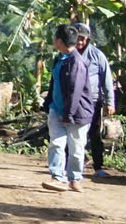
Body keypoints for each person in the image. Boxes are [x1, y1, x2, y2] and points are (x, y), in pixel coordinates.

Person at [43, 25, 98, 193]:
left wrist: (69, 114)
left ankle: (74, 178)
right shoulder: (60, 59)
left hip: (77, 113)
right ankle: (58, 177)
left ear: (59, 41)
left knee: (76, 148)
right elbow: (54, 83)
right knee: (56, 144)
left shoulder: (77, 62)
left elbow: (76, 91)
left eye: (55, 38)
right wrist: (48, 103)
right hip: (57, 110)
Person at [71, 21, 117, 177]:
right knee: (74, 134)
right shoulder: (67, 54)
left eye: (82, 39)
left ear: (87, 40)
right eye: (77, 38)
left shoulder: (97, 55)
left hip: (93, 102)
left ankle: (98, 167)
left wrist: (110, 102)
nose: (79, 42)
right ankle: (75, 164)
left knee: (95, 135)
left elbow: (107, 80)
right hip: (73, 102)